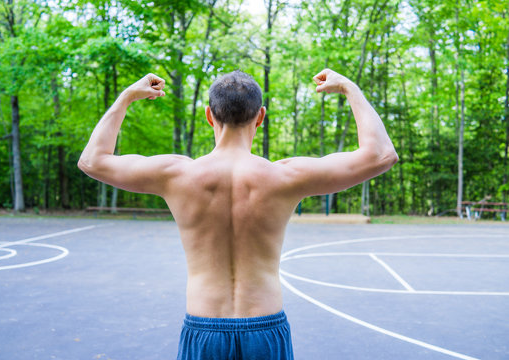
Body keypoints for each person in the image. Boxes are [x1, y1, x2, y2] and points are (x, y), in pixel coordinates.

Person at [78, 68, 398, 359]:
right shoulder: (284, 176)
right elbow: (381, 154)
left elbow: (92, 160)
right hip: (265, 328)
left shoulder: (177, 175)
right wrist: (350, 88)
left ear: (208, 116)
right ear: (260, 117)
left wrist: (127, 96)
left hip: (204, 330)